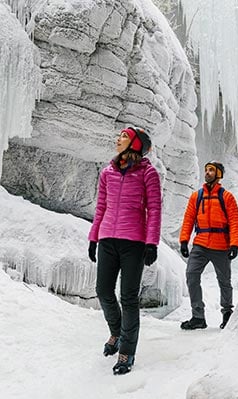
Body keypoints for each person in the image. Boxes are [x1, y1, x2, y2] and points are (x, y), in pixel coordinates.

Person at [88, 126, 161, 375]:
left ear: (136, 145)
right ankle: (117, 333)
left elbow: (154, 209)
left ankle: (127, 352)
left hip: (134, 242)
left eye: (124, 136)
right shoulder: (108, 172)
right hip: (108, 238)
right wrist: (93, 237)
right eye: (119, 135)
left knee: (128, 298)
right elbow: (101, 207)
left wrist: (152, 243)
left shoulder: (148, 173)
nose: (118, 139)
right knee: (103, 291)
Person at [178, 161, 238, 330]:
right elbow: (189, 219)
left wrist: (234, 244)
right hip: (200, 244)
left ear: (219, 174)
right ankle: (198, 316)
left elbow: (235, 221)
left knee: (224, 281)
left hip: (221, 245)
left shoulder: (227, 197)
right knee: (191, 275)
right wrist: (184, 240)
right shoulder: (196, 196)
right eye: (206, 170)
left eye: (211, 170)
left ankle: (227, 313)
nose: (207, 172)